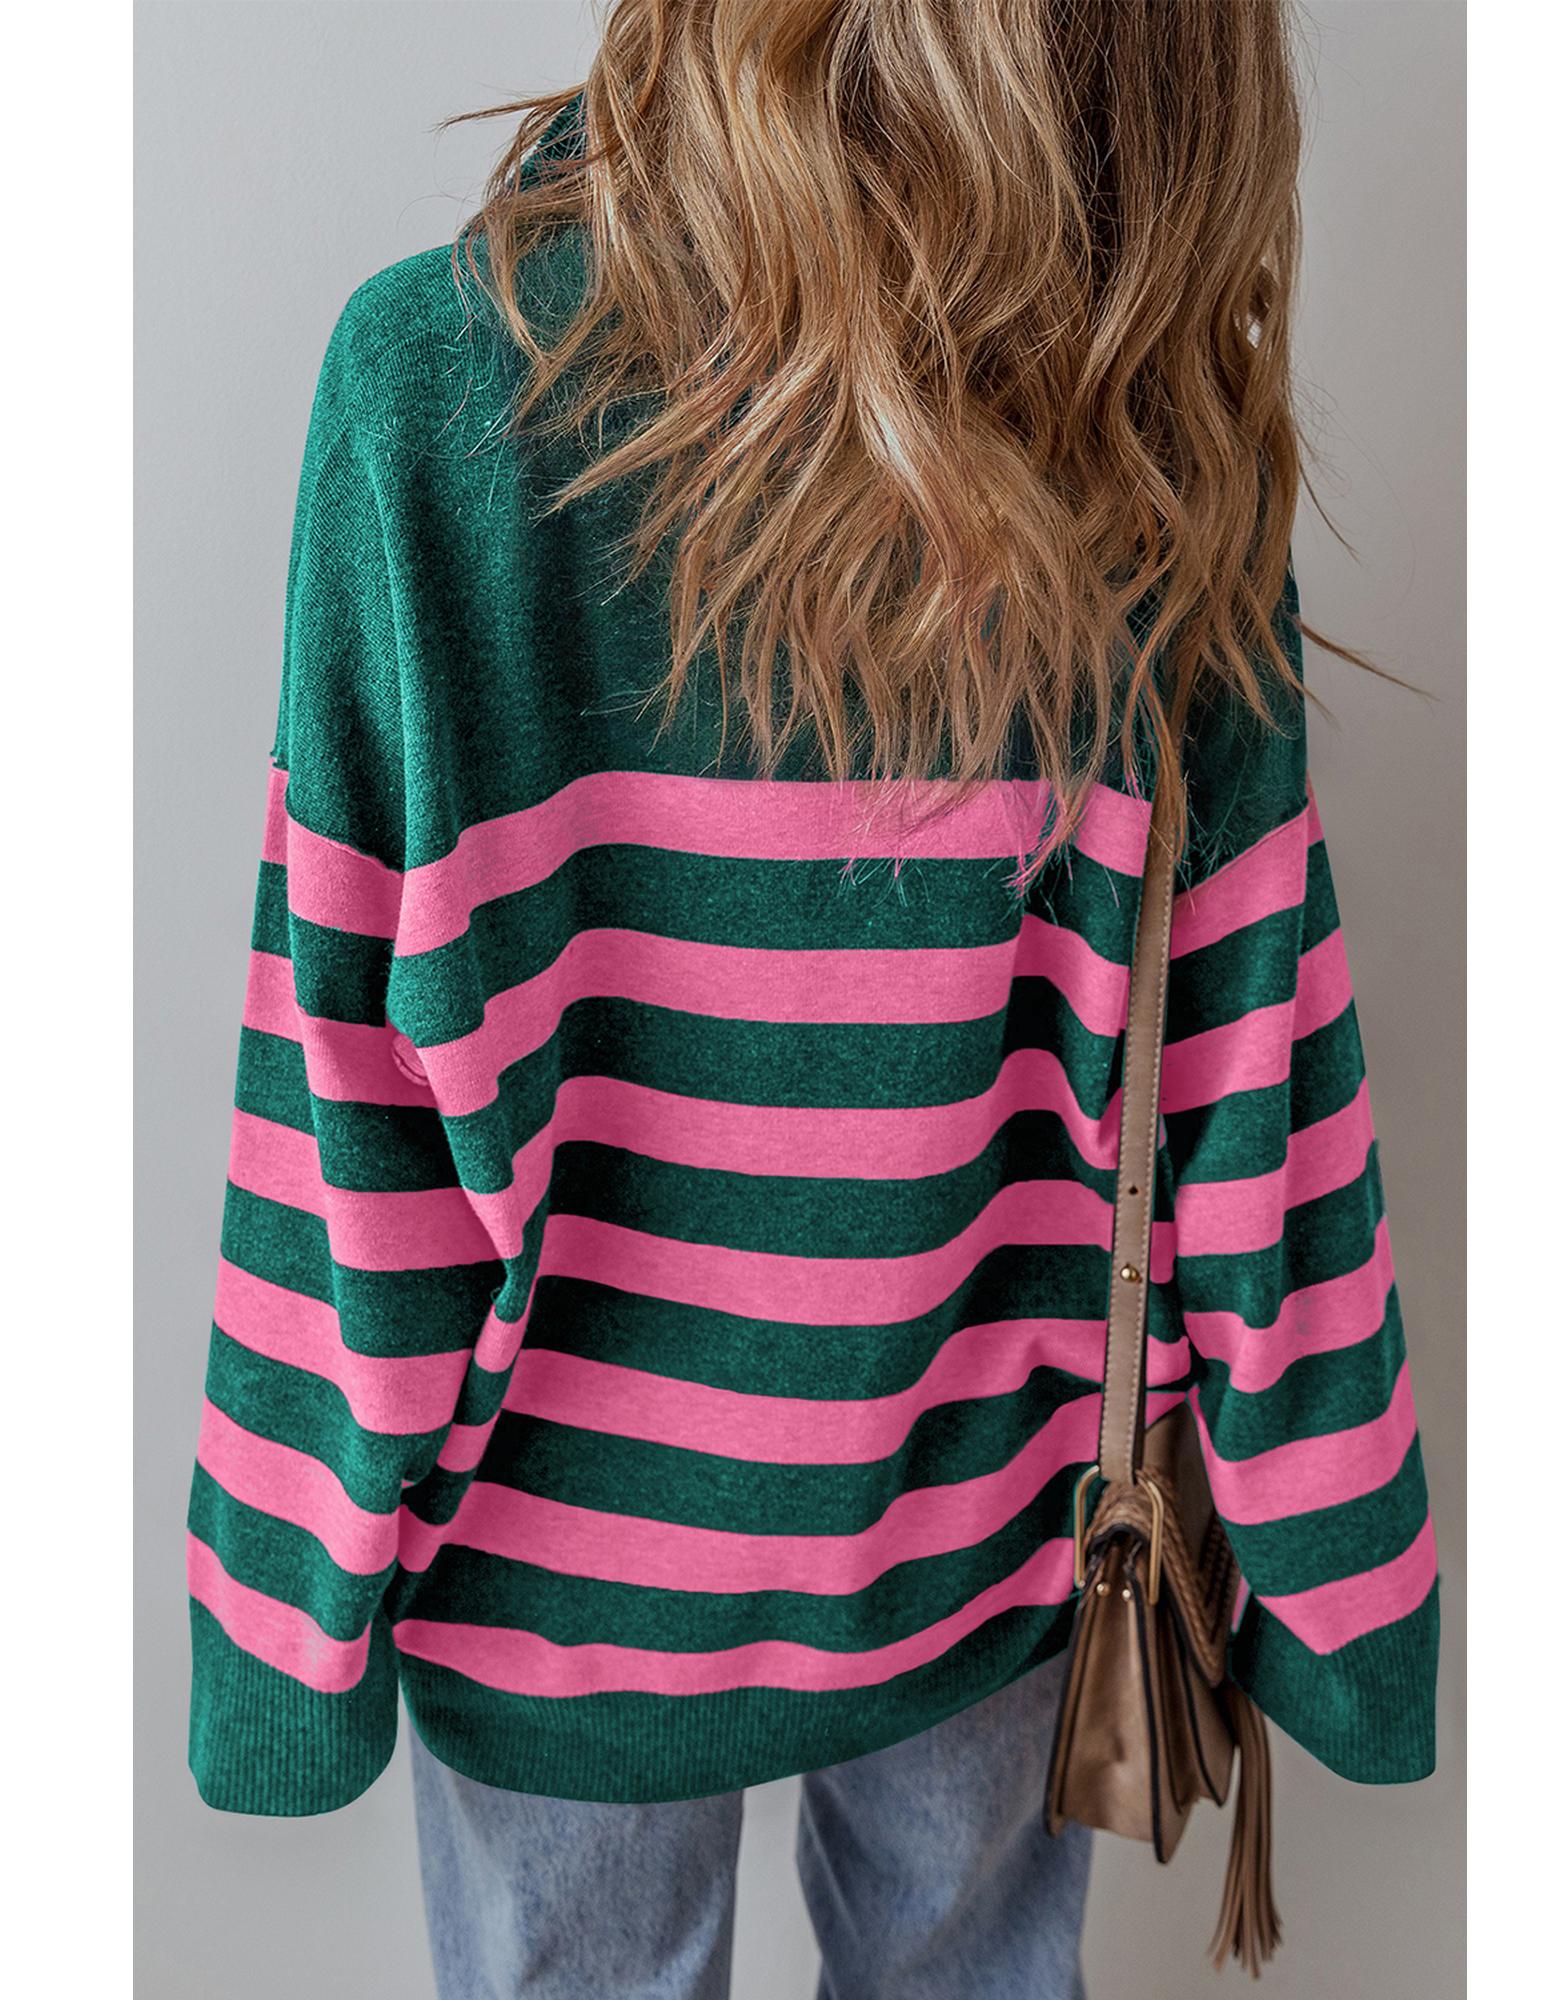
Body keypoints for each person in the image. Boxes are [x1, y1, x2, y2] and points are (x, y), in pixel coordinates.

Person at [184, 4, 1439, 1995]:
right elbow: (1251, 1097)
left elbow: (350, 1117)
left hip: (559, 1586)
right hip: (980, 1536)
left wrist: (281, 1642)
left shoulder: (439, 387)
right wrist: (1349, 1599)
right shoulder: (1145, 443)